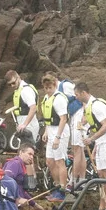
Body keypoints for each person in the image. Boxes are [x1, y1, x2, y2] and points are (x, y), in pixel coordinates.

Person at [75, 81, 106, 210]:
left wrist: (91, 139)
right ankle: (101, 205)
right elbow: (87, 119)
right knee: (100, 173)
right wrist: (81, 124)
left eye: (77, 95)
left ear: (83, 93)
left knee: (105, 174)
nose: (75, 97)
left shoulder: (97, 105)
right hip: (100, 142)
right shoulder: (88, 106)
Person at [39, 73, 70, 202]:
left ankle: (63, 191)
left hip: (60, 131)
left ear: (55, 85)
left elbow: (63, 119)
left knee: (59, 161)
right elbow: (48, 118)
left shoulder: (59, 98)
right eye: (45, 88)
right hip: (50, 130)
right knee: (50, 162)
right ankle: (57, 187)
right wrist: (46, 131)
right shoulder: (46, 98)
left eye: (50, 87)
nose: (48, 90)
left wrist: (57, 137)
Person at [3, 141, 46, 210]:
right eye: (29, 154)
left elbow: (24, 190)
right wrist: (18, 199)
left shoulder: (22, 166)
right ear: (21, 152)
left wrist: (34, 204)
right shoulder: (14, 163)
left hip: (14, 208)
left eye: (33, 155)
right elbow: (4, 182)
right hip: (7, 207)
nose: (31, 157)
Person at [6, 70, 41, 144]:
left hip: (29, 122)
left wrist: (25, 124)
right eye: (9, 85)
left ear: (18, 77)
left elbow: (33, 108)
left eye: (13, 83)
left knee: (28, 147)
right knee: (24, 148)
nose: (12, 86)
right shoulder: (19, 90)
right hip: (22, 121)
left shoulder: (25, 90)